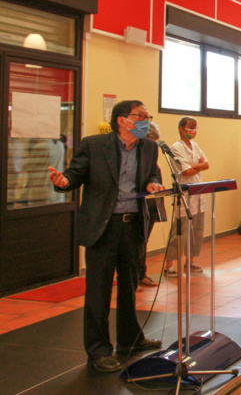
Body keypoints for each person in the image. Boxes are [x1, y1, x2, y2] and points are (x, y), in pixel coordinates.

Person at [47, 100, 163, 372]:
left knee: (129, 286)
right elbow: (74, 175)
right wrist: (64, 182)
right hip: (103, 226)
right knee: (98, 291)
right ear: (122, 120)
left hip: (133, 225)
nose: (146, 120)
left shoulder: (150, 147)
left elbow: (152, 173)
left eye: (148, 116)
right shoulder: (94, 145)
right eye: (141, 116)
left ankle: (129, 339)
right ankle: (99, 350)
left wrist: (152, 182)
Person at [163, 117, 209, 277]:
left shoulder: (195, 146)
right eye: (190, 127)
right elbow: (186, 171)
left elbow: (206, 164)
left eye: (195, 127)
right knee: (179, 231)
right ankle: (169, 265)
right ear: (181, 129)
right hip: (184, 194)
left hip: (198, 193)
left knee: (196, 230)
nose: (193, 130)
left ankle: (191, 261)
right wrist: (196, 166)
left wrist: (193, 166)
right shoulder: (176, 148)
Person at [138, 123, 164, 289]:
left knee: (144, 242)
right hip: (136, 208)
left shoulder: (154, 164)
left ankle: (141, 274)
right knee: (136, 243)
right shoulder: (134, 162)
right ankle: (132, 278)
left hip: (151, 207)